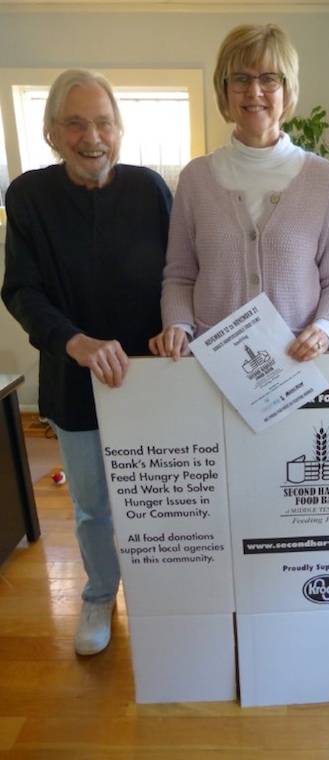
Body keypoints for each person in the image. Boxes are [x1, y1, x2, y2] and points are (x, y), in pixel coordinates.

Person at [2, 69, 172, 656]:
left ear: (119, 129)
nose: (91, 136)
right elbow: (20, 290)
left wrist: (182, 326)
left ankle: (162, 593)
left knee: (160, 497)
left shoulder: (151, 189)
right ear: (51, 132)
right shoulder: (26, 196)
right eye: (75, 123)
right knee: (93, 506)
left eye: (103, 122)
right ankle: (100, 593)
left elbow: (182, 275)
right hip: (75, 384)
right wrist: (73, 341)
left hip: (155, 380)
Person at [149, 23, 329, 362]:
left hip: (296, 366)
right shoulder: (195, 179)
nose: (254, 91)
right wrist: (179, 324)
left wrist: (327, 328)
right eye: (240, 78)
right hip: (213, 365)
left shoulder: (323, 179)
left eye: (269, 78)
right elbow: (180, 276)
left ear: (287, 89)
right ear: (224, 89)